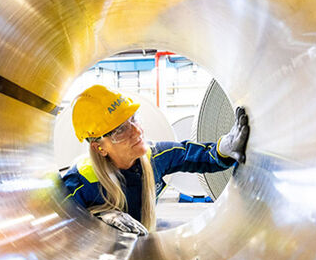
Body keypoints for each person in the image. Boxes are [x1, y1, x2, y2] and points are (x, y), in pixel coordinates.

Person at [61, 84, 250, 236]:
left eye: (134, 119)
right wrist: (97, 219)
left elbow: (192, 155)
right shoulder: (80, 182)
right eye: (120, 130)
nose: (137, 131)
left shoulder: (155, 157)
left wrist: (223, 149)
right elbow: (60, 231)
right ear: (99, 148)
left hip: (142, 242)